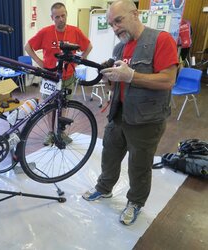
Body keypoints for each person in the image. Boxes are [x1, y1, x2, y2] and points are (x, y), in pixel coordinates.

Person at [82, 0, 178, 226]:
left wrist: (131, 76)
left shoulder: (160, 40)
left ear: (135, 14)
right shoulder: (119, 48)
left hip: (146, 120)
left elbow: (168, 79)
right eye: (111, 24)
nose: (115, 28)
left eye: (118, 20)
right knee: (110, 155)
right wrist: (110, 80)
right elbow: (117, 86)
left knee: (139, 165)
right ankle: (104, 189)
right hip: (119, 114)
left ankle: (135, 202)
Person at [24, 2, 92, 145]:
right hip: (50, 76)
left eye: (63, 15)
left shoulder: (75, 31)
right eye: (57, 17)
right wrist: (39, 62)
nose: (61, 19)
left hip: (68, 77)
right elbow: (28, 47)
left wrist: (79, 62)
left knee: (65, 106)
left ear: (66, 14)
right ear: (52, 17)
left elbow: (89, 46)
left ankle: (60, 133)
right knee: (49, 107)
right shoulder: (45, 32)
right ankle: (50, 133)